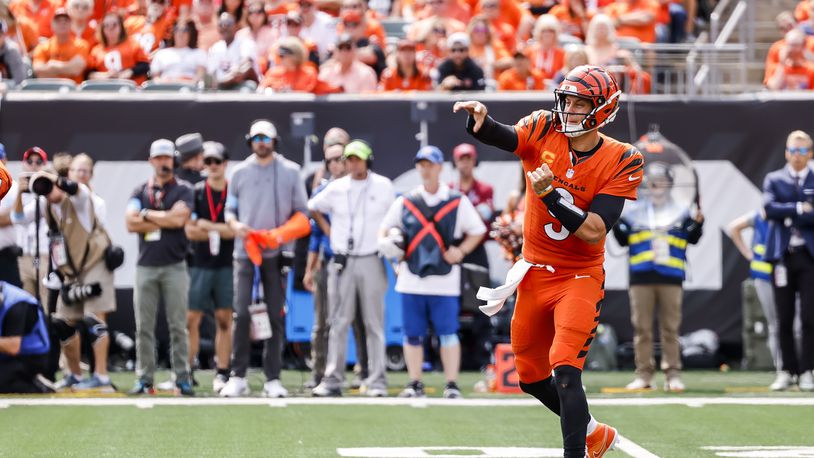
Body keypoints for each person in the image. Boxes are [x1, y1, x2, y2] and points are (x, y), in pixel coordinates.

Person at [453, 64, 644, 456]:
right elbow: (506, 137)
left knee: (565, 368)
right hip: (534, 271)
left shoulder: (622, 158)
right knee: (529, 375)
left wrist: (551, 196)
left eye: (579, 103)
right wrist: (482, 123)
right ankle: (593, 431)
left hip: (578, 277)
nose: (569, 109)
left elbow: (594, 230)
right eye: (567, 99)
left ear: (603, 109)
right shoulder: (544, 128)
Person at [378, 145, 486, 399]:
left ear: (439, 167)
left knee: (448, 333)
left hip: (444, 279)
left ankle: (451, 384)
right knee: (412, 334)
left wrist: (459, 252)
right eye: (421, 164)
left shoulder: (455, 200)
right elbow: (384, 229)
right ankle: (415, 382)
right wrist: (391, 252)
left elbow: (478, 230)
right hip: (411, 279)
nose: (426, 169)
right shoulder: (405, 201)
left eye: (430, 164)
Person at [219, 119, 310, 398]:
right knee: (242, 314)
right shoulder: (239, 172)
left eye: (266, 138)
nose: (261, 142)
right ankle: (238, 375)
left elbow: (302, 215)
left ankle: (273, 377)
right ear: (250, 141)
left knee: (274, 315)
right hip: (245, 252)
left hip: (277, 253)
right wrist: (236, 226)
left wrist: (280, 235)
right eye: (257, 138)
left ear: (274, 141)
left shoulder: (291, 171)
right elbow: (230, 211)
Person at [13, 170, 116, 392]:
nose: (48, 192)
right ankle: (75, 375)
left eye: (49, 186)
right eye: (42, 190)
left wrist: (52, 179)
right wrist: (22, 192)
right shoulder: (46, 207)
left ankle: (101, 376)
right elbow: (18, 219)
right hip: (71, 271)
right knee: (62, 322)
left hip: (94, 263)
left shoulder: (78, 200)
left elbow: (78, 189)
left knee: (94, 321)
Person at [308, 140, 395, 397]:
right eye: (350, 159)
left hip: (371, 256)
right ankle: (333, 379)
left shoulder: (383, 185)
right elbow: (312, 207)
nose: (353, 163)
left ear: (368, 160)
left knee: (374, 323)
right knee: (338, 321)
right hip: (342, 259)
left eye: (358, 158)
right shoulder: (337, 187)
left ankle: (377, 381)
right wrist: (328, 230)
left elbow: (393, 217)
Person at [612, 162, 703, 392]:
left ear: (670, 183)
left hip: (671, 276)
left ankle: (673, 374)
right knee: (641, 328)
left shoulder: (682, 210)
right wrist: (614, 222)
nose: (657, 184)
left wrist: (698, 224)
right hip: (640, 276)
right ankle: (644, 375)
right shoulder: (634, 211)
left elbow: (692, 238)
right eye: (652, 180)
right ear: (646, 184)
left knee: (670, 328)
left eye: (662, 179)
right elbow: (622, 240)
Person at [125, 139, 195, 396]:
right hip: (146, 266)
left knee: (178, 325)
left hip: (175, 265)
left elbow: (179, 220)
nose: (163, 162)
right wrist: (162, 218)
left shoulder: (184, 189)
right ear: (151, 161)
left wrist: (146, 214)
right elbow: (130, 224)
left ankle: (182, 378)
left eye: (167, 158)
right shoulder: (139, 191)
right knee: (144, 327)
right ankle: (144, 378)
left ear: (173, 160)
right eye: (159, 158)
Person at [762, 130, 814, 392]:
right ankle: (786, 370)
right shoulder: (775, 178)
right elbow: (769, 208)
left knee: (808, 317)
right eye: (793, 151)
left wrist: (790, 212)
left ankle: (807, 370)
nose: (797, 156)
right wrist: (798, 209)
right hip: (783, 255)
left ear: (810, 153)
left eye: (802, 151)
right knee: (783, 318)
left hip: (809, 255)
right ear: (786, 152)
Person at [183, 142, 234, 394]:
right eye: (208, 162)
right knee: (192, 318)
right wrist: (219, 230)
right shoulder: (197, 191)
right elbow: (190, 230)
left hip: (226, 264)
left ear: (225, 164)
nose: (212, 166)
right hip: (200, 264)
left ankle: (223, 371)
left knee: (224, 319)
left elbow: (237, 229)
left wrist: (208, 225)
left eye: (217, 162)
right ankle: (187, 370)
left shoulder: (233, 191)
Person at [302, 143, 347, 389]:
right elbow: (316, 235)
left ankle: (363, 371)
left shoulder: (359, 188)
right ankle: (319, 372)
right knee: (322, 322)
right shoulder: (322, 191)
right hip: (329, 261)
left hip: (356, 261)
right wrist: (309, 269)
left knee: (360, 322)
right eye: (330, 160)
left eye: (339, 159)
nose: (335, 164)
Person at [728, 209, 785, 388]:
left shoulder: (792, 214)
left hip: (790, 276)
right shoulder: (760, 215)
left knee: (799, 325)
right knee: (775, 324)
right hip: (764, 277)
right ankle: (783, 371)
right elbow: (733, 228)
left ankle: (804, 369)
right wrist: (747, 253)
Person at [14, 147, 51, 304]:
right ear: (23, 164)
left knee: (46, 299)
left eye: (38, 162)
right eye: (30, 161)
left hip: (43, 253)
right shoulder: (16, 188)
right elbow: (18, 218)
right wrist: (19, 192)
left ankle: (47, 329)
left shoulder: (49, 188)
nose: (34, 165)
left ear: (44, 165)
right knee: (26, 303)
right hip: (25, 254)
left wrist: (43, 185)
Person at [0, 281, 51, 394]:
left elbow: (13, 347)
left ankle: (36, 385)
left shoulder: (17, 304)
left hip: (30, 357)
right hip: (6, 356)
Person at [87, 12, 150, 83]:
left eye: (114, 25)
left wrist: (129, 72)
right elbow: (89, 74)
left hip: (132, 89)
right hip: (105, 90)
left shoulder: (133, 44)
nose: (110, 29)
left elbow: (145, 65)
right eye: (106, 25)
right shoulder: (96, 50)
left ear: (121, 27)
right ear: (102, 29)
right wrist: (106, 75)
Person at [31, 8, 89, 84]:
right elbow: (38, 70)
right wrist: (68, 68)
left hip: (74, 90)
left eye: (66, 20)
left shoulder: (81, 45)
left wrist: (53, 66)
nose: (62, 23)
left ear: (71, 24)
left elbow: (76, 70)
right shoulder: (43, 47)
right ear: (52, 24)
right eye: (58, 21)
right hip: (49, 89)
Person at [206, 12, 258, 90]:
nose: (224, 26)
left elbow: (246, 67)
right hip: (219, 87)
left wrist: (224, 80)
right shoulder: (215, 48)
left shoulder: (246, 43)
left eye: (228, 23)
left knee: (248, 86)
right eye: (221, 24)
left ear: (236, 26)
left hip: (240, 85)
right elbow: (211, 74)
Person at [150, 20, 208, 85]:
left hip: (190, 89)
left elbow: (199, 76)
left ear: (191, 33)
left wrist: (180, 81)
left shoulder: (199, 53)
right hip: (165, 89)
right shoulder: (161, 53)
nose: (180, 33)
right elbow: (155, 78)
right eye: (177, 29)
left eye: (185, 30)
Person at [0, 144, 21, 286]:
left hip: (7, 256)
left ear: (5, 160)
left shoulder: (15, 188)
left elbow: (17, 216)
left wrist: (9, 215)